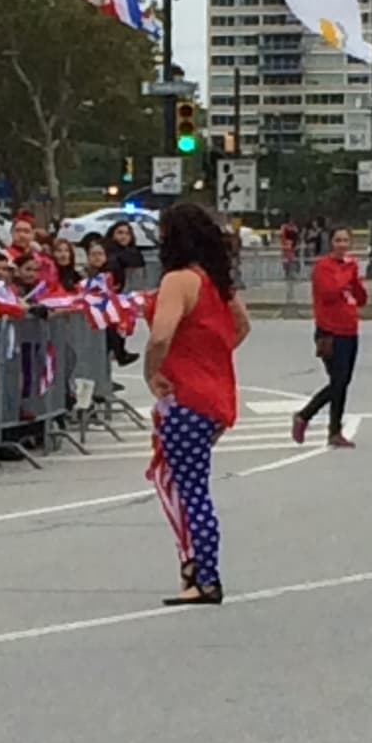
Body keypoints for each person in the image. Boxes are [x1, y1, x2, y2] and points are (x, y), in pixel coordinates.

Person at [144, 202, 251, 607]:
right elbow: (241, 325)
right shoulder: (216, 282)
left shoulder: (178, 281)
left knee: (187, 488)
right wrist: (211, 355)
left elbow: (160, 335)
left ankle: (201, 573)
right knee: (187, 482)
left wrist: (152, 371)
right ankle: (198, 570)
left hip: (185, 395)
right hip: (214, 393)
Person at [292, 227, 367, 448]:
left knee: (342, 383)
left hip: (350, 329)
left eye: (345, 240)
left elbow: (361, 298)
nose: (342, 245)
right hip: (330, 331)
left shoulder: (350, 267)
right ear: (331, 243)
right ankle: (304, 415)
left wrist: (356, 280)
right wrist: (347, 273)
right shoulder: (324, 267)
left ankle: (334, 431)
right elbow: (329, 292)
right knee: (338, 381)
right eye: (338, 240)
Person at [105, 220, 146, 291]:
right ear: (112, 235)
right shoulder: (105, 252)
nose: (124, 236)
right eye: (120, 233)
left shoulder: (135, 254)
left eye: (127, 234)